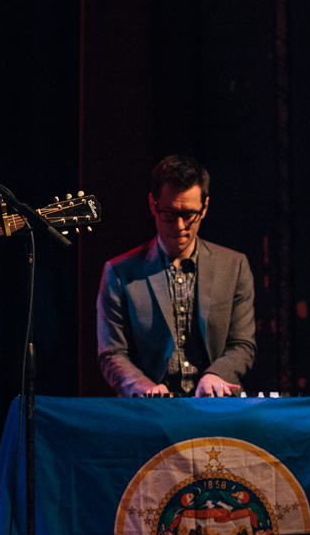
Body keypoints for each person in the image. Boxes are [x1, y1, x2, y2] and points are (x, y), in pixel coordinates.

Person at [96, 154, 255, 398]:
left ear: (205, 208)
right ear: (153, 205)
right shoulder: (119, 272)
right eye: (169, 214)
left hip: (216, 405)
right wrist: (143, 386)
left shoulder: (234, 266)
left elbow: (242, 344)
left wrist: (216, 375)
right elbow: (111, 353)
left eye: (189, 215)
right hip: (149, 410)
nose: (180, 227)